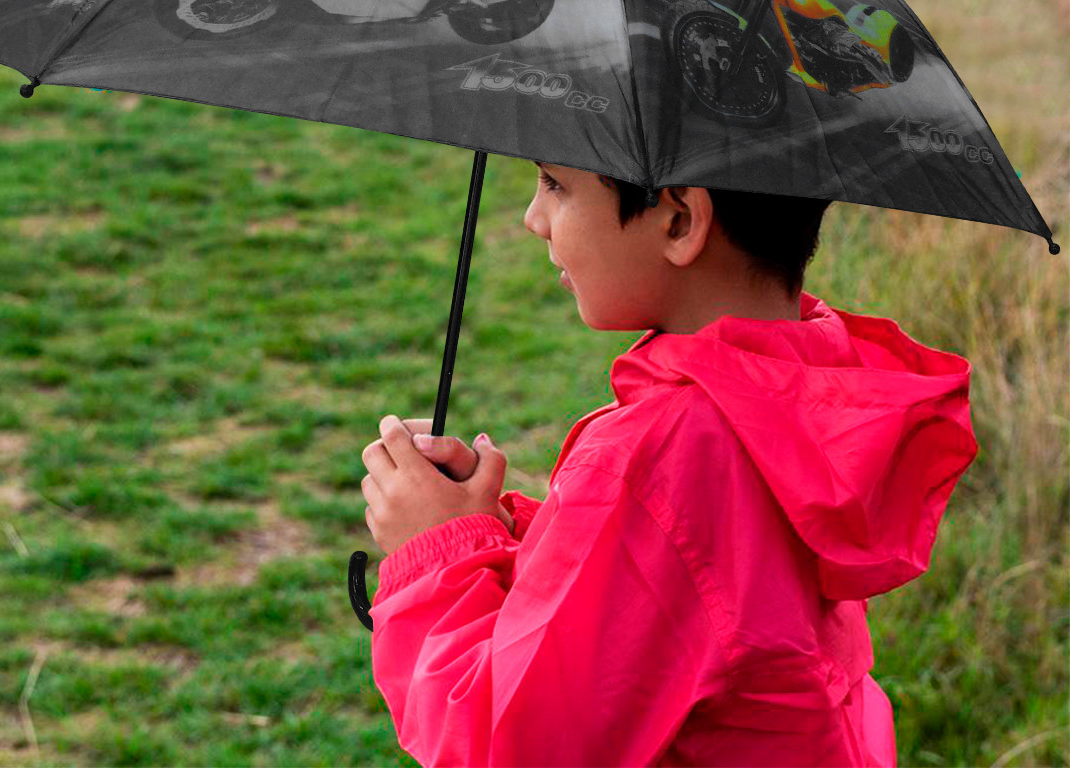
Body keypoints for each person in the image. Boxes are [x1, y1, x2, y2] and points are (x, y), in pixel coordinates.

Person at [363, 162, 978, 766]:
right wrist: (500, 531)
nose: (534, 218)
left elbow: (506, 746)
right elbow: (697, 589)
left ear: (680, 220)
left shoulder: (657, 460)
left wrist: (439, 550)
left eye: (556, 185)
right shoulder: (799, 397)